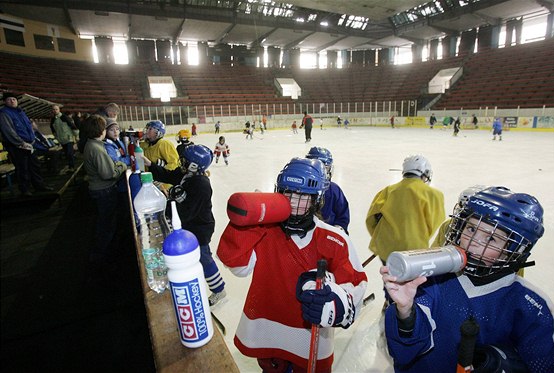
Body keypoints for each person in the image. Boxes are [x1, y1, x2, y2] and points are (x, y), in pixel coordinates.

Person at [381, 186, 554, 372]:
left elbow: (550, 365)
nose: (473, 241)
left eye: (491, 239)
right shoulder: (430, 280)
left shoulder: (532, 307)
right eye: (471, 228)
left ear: (515, 250)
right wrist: (405, 312)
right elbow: (403, 352)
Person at [217, 157, 368, 372]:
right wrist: (251, 224)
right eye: (288, 193)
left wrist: (338, 302)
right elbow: (239, 267)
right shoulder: (265, 231)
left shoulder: (334, 238)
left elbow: (356, 282)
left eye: (303, 196)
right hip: (268, 333)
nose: (294, 202)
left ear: (317, 200)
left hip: (309, 340)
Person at [143, 144, 227, 306]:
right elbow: (168, 175)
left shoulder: (201, 185)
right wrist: (150, 165)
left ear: (194, 165)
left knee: (203, 257)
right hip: (189, 225)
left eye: (185, 160)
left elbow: (188, 212)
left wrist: (170, 204)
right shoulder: (186, 175)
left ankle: (219, 290)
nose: (181, 162)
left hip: (200, 228)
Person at [365, 154, 445, 265]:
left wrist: (381, 240)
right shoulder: (434, 195)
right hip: (414, 251)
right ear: (425, 173)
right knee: (410, 280)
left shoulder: (388, 191)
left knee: (390, 278)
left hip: (386, 249)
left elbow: (371, 219)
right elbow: (434, 223)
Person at [82, 114, 127, 270]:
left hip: (99, 189)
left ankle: (102, 253)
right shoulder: (97, 148)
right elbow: (109, 174)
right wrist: (122, 165)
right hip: (104, 190)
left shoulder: (92, 144)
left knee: (105, 223)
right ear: (100, 130)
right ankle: (102, 256)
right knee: (106, 224)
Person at [0, 92, 53, 196]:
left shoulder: (21, 111)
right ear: (4, 102)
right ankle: (25, 190)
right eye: (9, 99)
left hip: (29, 144)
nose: (12, 101)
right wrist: (21, 143)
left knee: (34, 166)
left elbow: (29, 127)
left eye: (14, 99)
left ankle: (39, 185)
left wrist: (32, 139)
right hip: (17, 146)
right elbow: (8, 131)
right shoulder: (4, 113)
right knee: (22, 168)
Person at [305, 146, 350, 233]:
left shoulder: (334, 190)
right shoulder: (299, 189)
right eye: (317, 169)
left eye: (325, 169)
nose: (322, 174)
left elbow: (343, 216)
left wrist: (339, 229)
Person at [50, 105, 77, 175]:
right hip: (61, 140)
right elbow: (53, 131)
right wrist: (57, 137)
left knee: (69, 153)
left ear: (59, 110)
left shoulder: (64, 117)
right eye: (53, 109)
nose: (55, 111)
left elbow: (73, 126)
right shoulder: (53, 120)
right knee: (67, 154)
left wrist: (76, 136)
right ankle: (70, 166)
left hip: (68, 138)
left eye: (56, 109)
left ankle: (72, 167)